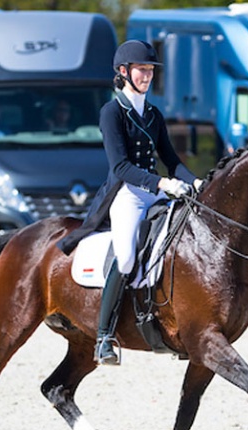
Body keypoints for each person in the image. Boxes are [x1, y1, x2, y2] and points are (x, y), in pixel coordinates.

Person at [56, 40, 202, 365]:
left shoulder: (153, 113)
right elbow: (120, 167)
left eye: (150, 70)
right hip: (127, 195)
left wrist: (197, 182)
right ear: (124, 72)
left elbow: (171, 159)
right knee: (125, 259)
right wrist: (163, 182)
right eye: (142, 70)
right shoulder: (111, 112)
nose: (147, 76)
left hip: (156, 192)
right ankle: (104, 336)